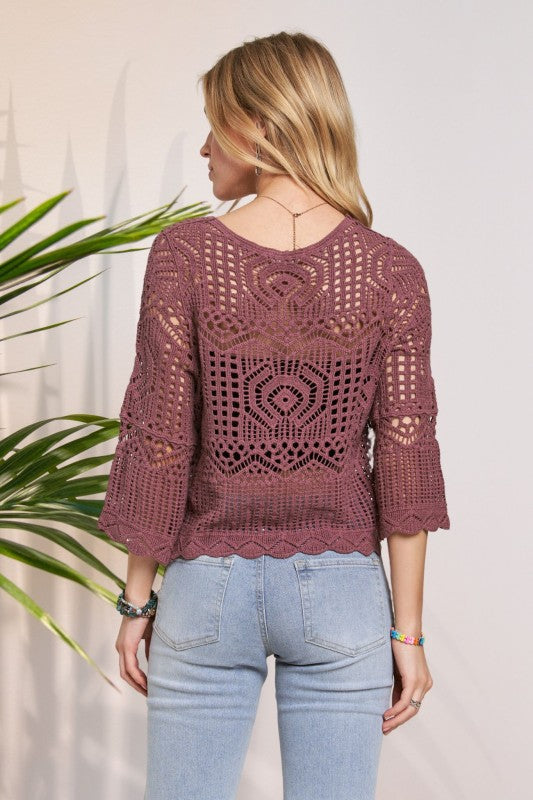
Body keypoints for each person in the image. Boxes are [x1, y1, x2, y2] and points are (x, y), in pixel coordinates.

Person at [97, 30, 450, 800]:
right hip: (343, 593)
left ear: (258, 125)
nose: (203, 148)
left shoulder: (184, 255)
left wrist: (136, 600)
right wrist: (408, 634)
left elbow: (160, 438)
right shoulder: (391, 271)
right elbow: (406, 461)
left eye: (213, 124)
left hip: (207, 586)